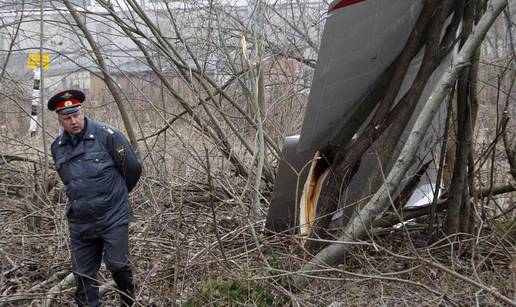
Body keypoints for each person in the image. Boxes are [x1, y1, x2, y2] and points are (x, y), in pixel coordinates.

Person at [48, 89, 142, 306]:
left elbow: (133, 170)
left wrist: (114, 196)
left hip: (113, 215)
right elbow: (69, 180)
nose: (73, 121)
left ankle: (129, 302)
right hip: (81, 221)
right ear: (60, 120)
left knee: (117, 265)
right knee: (83, 276)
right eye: (67, 118)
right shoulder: (57, 147)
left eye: (76, 115)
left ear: (82, 112)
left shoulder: (108, 135)